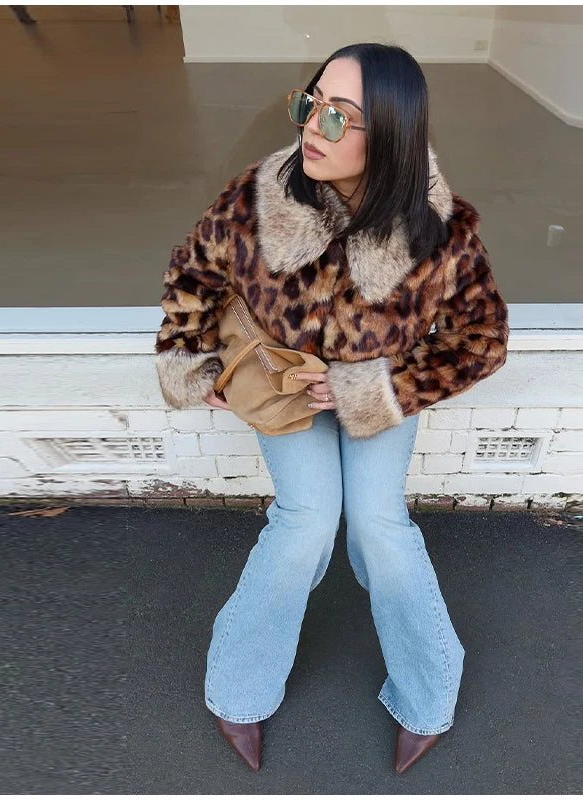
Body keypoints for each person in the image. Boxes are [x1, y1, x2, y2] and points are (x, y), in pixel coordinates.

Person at [153, 42, 510, 774]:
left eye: (341, 117)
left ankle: (427, 694)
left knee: (379, 529)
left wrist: (382, 390)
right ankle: (239, 689)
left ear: (393, 138)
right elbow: (193, 269)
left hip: (378, 394)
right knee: (307, 522)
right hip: (282, 387)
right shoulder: (257, 197)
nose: (314, 126)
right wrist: (190, 357)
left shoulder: (438, 234)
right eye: (311, 102)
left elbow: (482, 340)